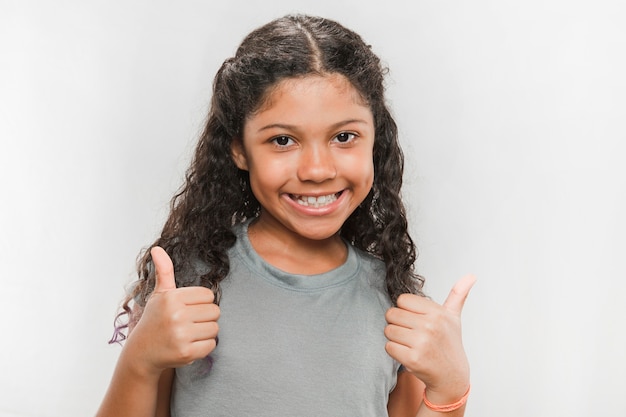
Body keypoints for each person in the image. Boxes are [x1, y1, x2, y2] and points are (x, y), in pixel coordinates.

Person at [97, 14, 475, 417]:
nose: (317, 169)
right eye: (283, 140)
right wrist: (138, 361)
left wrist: (451, 388)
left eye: (344, 137)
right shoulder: (186, 286)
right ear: (239, 149)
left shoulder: (397, 302)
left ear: (375, 141)